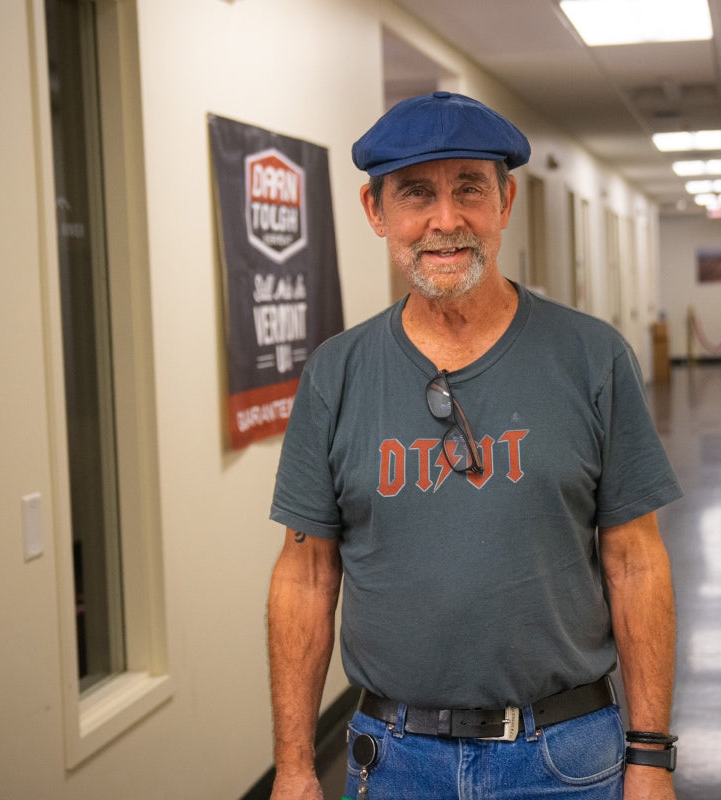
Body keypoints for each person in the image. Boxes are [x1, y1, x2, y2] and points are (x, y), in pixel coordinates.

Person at [268, 91, 682, 800]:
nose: (446, 220)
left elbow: (635, 560)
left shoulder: (591, 357)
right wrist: (296, 764)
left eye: (469, 190)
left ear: (506, 202)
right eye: (416, 194)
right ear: (376, 212)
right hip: (394, 760)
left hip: (568, 756)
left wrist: (650, 759)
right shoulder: (337, 373)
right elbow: (305, 578)